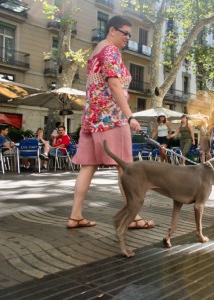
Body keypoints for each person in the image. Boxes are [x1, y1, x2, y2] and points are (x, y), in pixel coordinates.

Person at [66, 15, 153, 230]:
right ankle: (132, 217)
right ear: (112, 30)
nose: (128, 38)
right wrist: (130, 116)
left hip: (92, 119)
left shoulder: (98, 50)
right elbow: (114, 85)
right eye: (125, 33)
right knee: (126, 168)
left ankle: (75, 215)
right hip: (111, 117)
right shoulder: (110, 51)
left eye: (130, 34)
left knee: (87, 167)